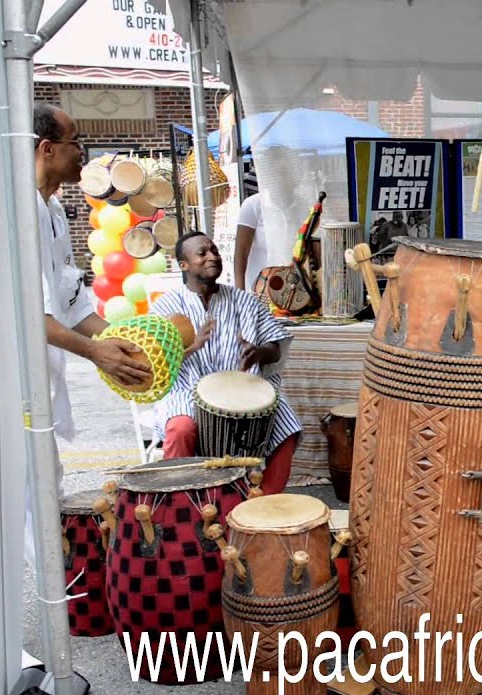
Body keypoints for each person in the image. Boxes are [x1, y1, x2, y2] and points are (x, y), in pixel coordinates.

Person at [30, 104, 151, 560]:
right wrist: (96, 353)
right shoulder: (18, 210)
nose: (84, 153)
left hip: (43, 371)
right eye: (76, 141)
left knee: (45, 478)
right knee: (27, 486)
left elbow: (72, 302)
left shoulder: (56, 209)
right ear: (47, 149)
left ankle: (56, 579)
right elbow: (31, 314)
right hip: (10, 380)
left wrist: (125, 341)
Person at [151, 231, 303, 494]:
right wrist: (192, 346)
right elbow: (155, 362)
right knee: (180, 428)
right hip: (186, 391)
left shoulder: (246, 301)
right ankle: (181, 504)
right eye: (202, 253)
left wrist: (257, 353)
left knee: (287, 425)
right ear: (183, 265)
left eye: (215, 251)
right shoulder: (166, 308)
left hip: (245, 391)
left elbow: (275, 349)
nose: (212, 256)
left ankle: (264, 504)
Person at [233, 191, 293, 291]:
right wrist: (240, 295)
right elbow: (241, 253)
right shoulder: (253, 204)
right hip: (258, 289)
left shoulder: (297, 203)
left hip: (290, 289)